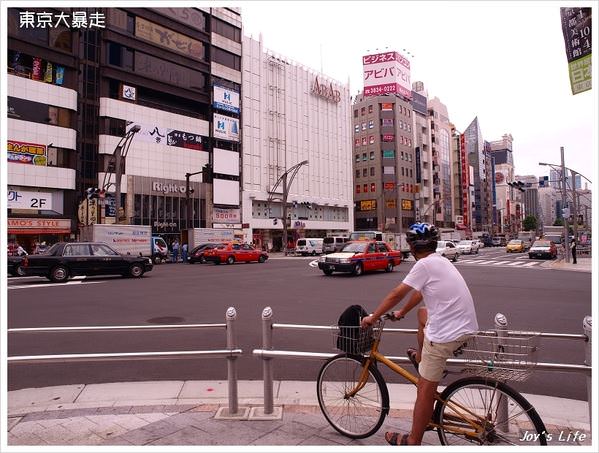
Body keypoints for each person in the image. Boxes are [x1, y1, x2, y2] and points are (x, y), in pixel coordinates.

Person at [360, 222, 479, 446]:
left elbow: (397, 293)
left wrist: (373, 317)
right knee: (423, 314)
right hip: (464, 326)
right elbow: (419, 292)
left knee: (424, 389)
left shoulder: (423, 265)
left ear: (412, 248)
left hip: (445, 335)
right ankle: (422, 358)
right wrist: (403, 312)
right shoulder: (440, 261)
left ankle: (413, 440)